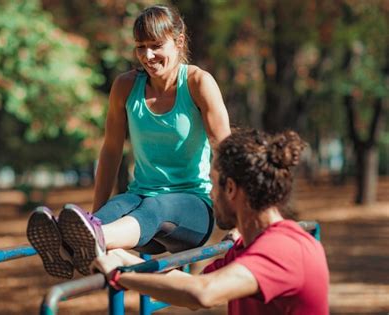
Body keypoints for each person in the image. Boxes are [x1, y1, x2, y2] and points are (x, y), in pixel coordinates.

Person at [26, 4, 231, 279]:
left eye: (156, 45)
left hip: (191, 210)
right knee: (119, 205)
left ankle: (84, 241)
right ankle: (78, 242)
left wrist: (238, 219)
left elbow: (227, 153)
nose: (147, 55)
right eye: (140, 46)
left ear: (179, 42)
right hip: (140, 206)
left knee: (155, 206)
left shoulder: (197, 83)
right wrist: (95, 215)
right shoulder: (125, 87)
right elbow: (111, 151)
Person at [92, 128, 330, 315]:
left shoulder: (285, 248)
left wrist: (119, 277)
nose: (210, 195)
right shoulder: (248, 246)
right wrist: (123, 260)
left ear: (231, 189)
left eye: (212, 185)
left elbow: (203, 294)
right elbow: (192, 284)